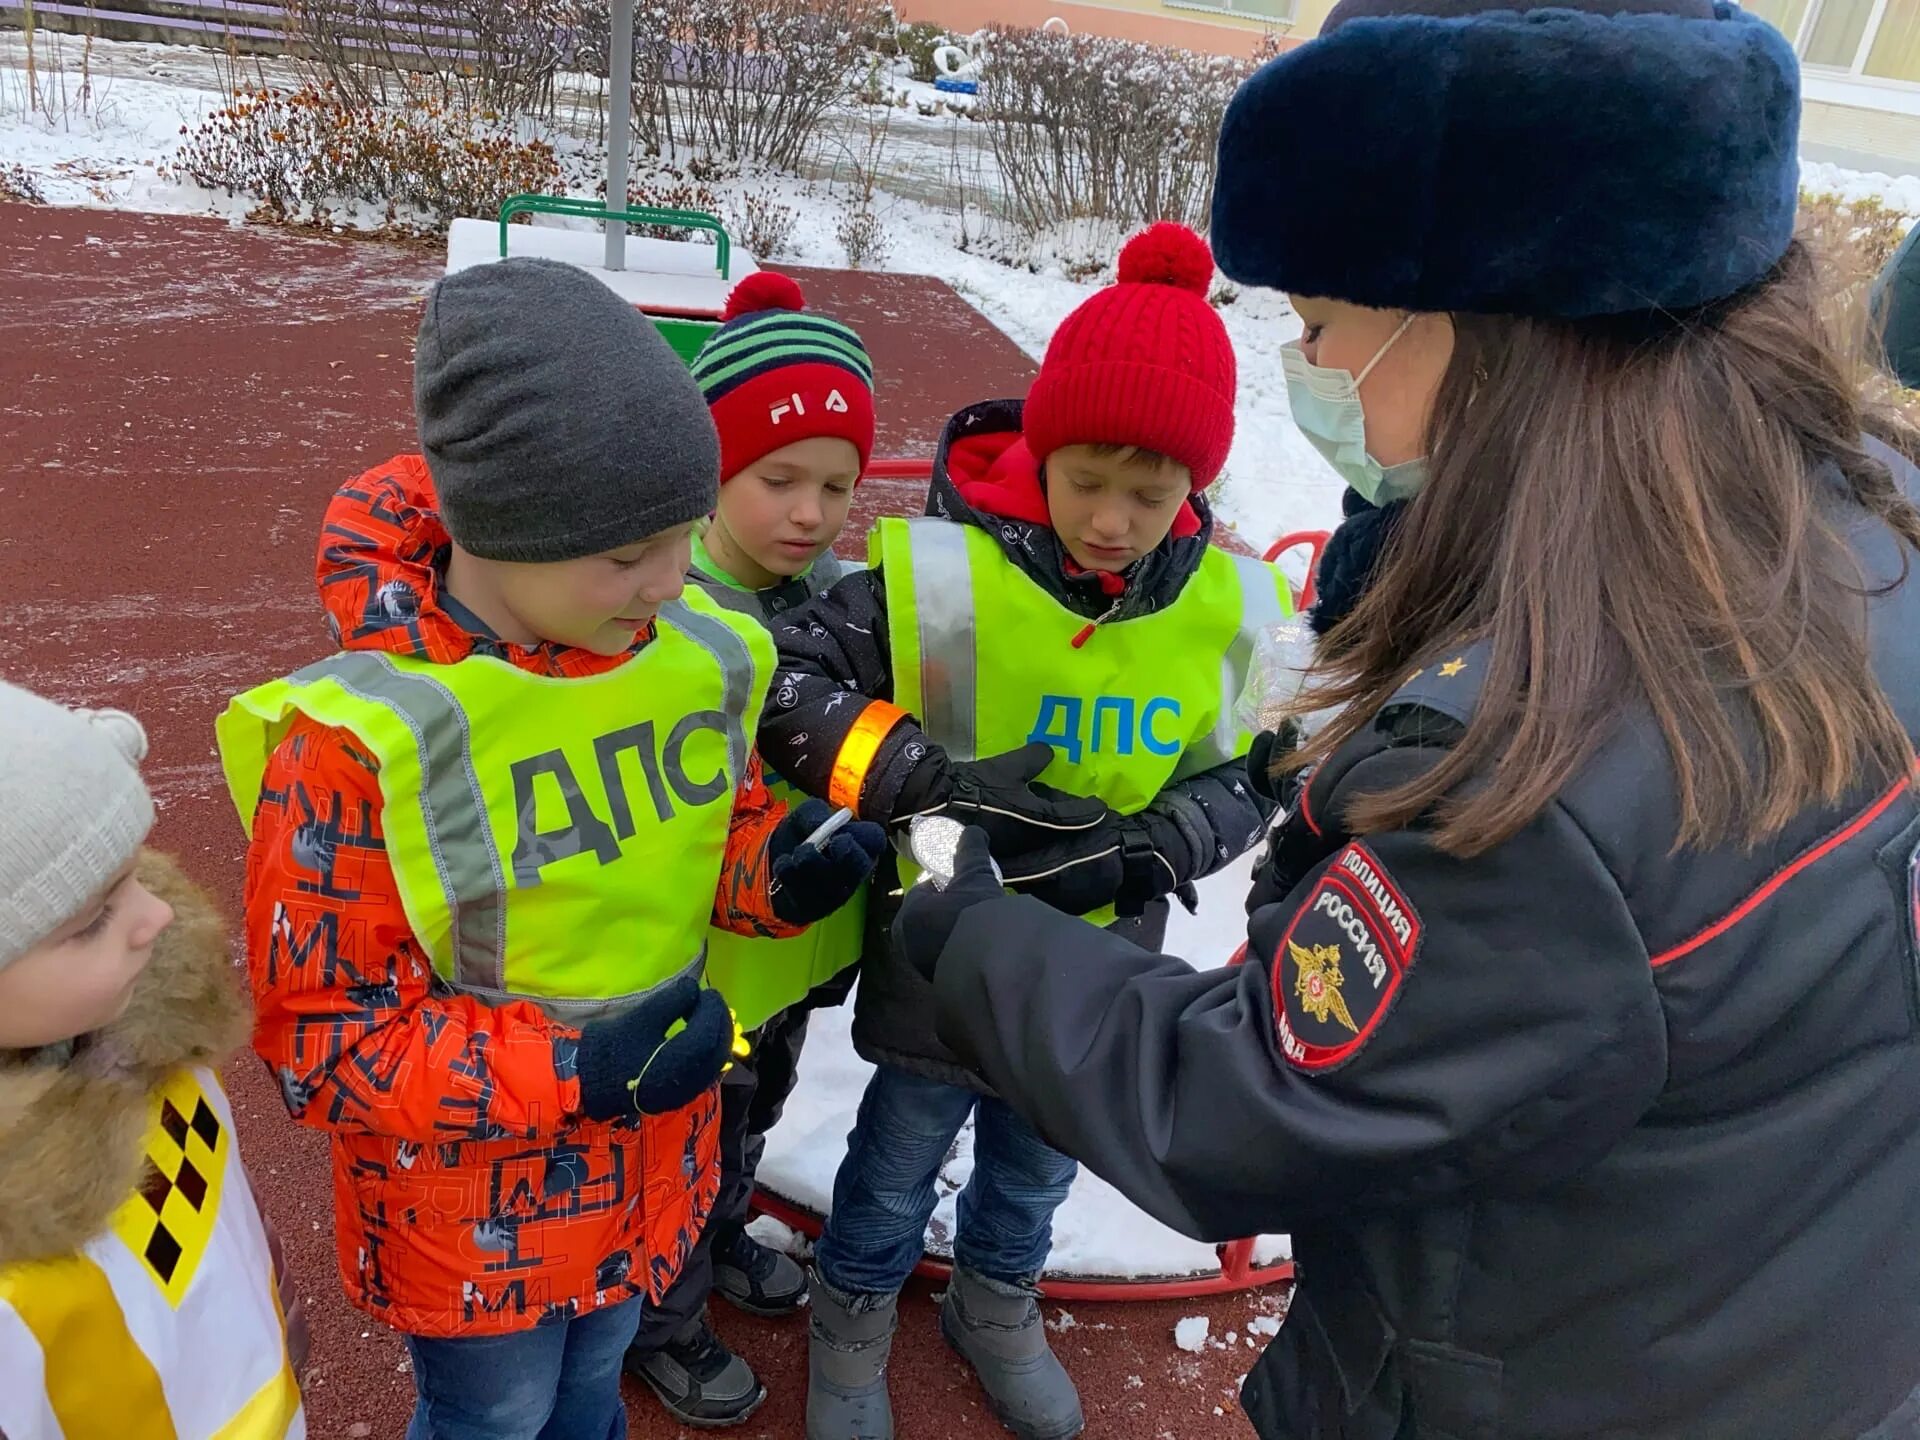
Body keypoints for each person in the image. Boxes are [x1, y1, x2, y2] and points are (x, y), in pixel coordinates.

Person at [887, 2, 1920, 1437]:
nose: (1306, 364)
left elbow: (1251, 1100)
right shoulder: (1866, 516)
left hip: (1528, 1377)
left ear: (1471, 327)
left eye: (1321, 326)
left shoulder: (1535, 762)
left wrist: (964, 931)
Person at [216, 258, 883, 1440]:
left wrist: (774, 875)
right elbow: (327, 1045)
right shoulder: (359, 746)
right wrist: (576, 1073)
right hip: (472, 1222)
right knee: (497, 1415)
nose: (672, 582)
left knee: (588, 1392)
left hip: (652, 1168)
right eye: (626, 555)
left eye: (682, 536)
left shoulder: (683, 649)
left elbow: (703, 832)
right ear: (504, 530)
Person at [759, 221, 1289, 1440]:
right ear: (1043, 450)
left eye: (1150, 495)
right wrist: (915, 777)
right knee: (901, 1143)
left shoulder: (1231, 609)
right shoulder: (942, 578)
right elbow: (785, 679)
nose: (1111, 520)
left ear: (1195, 487)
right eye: (1085, 480)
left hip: (1102, 943)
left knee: (1044, 1150)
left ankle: (997, 1297)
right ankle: (855, 1304)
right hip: (946, 923)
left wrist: (1165, 843)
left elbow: (1262, 768)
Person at [624, 270, 878, 1426]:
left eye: (836, 485)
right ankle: (663, 1322)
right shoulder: (662, 609)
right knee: (684, 1136)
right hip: (704, 958)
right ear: (710, 473)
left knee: (752, 1111)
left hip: (794, 948)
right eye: (777, 480)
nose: (811, 512)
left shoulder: (841, 603)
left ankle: (722, 1237)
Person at [0, 680, 306, 1440]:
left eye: (135, 873)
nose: (159, 914)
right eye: (91, 920)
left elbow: (220, 1227)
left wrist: (274, 1309)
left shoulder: (146, 1036)